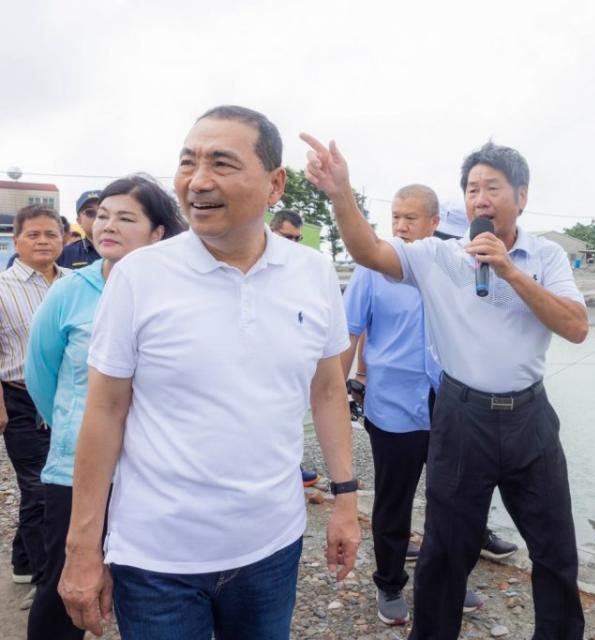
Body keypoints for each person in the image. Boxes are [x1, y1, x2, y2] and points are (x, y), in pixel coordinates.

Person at [59, 106, 361, 640]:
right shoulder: (139, 277)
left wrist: (346, 497)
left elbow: (328, 388)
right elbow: (104, 412)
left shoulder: (312, 272)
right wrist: (82, 549)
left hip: (272, 545)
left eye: (221, 163)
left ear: (274, 184)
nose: (198, 181)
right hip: (156, 558)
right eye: (188, 162)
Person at [302, 135, 589, 639]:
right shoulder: (438, 257)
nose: (480, 198)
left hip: (530, 418)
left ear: (521, 195)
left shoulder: (545, 257)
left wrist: (508, 269)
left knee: (556, 553)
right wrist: (340, 193)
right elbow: (367, 249)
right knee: (442, 554)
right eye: (472, 188)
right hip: (461, 417)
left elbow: (576, 326)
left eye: (492, 187)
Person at [24, 175, 186, 640]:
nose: (107, 225)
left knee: (148, 593)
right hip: (76, 471)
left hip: (153, 472)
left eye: (126, 217)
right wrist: (82, 432)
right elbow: (41, 375)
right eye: (102, 215)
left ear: (157, 233)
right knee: (63, 593)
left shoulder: (175, 296)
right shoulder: (69, 292)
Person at [341, 184, 502, 625]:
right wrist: (337, 392)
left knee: (451, 500)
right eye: (395, 217)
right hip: (393, 405)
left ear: (435, 223)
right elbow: (348, 331)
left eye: (411, 218)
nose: (401, 226)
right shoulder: (372, 268)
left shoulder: (454, 267)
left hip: (451, 402)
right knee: (394, 500)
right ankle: (390, 583)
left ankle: (448, 578)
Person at [0, 204, 68, 608]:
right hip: (21, 400)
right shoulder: (3, 288)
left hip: (69, 397)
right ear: (16, 240)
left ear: (63, 239)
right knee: (40, 489)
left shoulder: (76, 282)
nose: (43, 241)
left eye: (51, 234)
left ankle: (22, 562)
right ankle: (48, 584)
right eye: (34, 235)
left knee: (56, 486)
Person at [266, 206, 326, 488]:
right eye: (285, 237)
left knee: (292, 417)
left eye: (296, 239)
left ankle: (292, 466)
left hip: (290, 355)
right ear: (272, 230)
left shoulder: (305, 270)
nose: (291, 244)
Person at [58, 190, 102, 269]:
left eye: (102, 211)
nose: (98, 217)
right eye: (90, 212)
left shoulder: (126, 250)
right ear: (79, 221)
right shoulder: (65, 254)